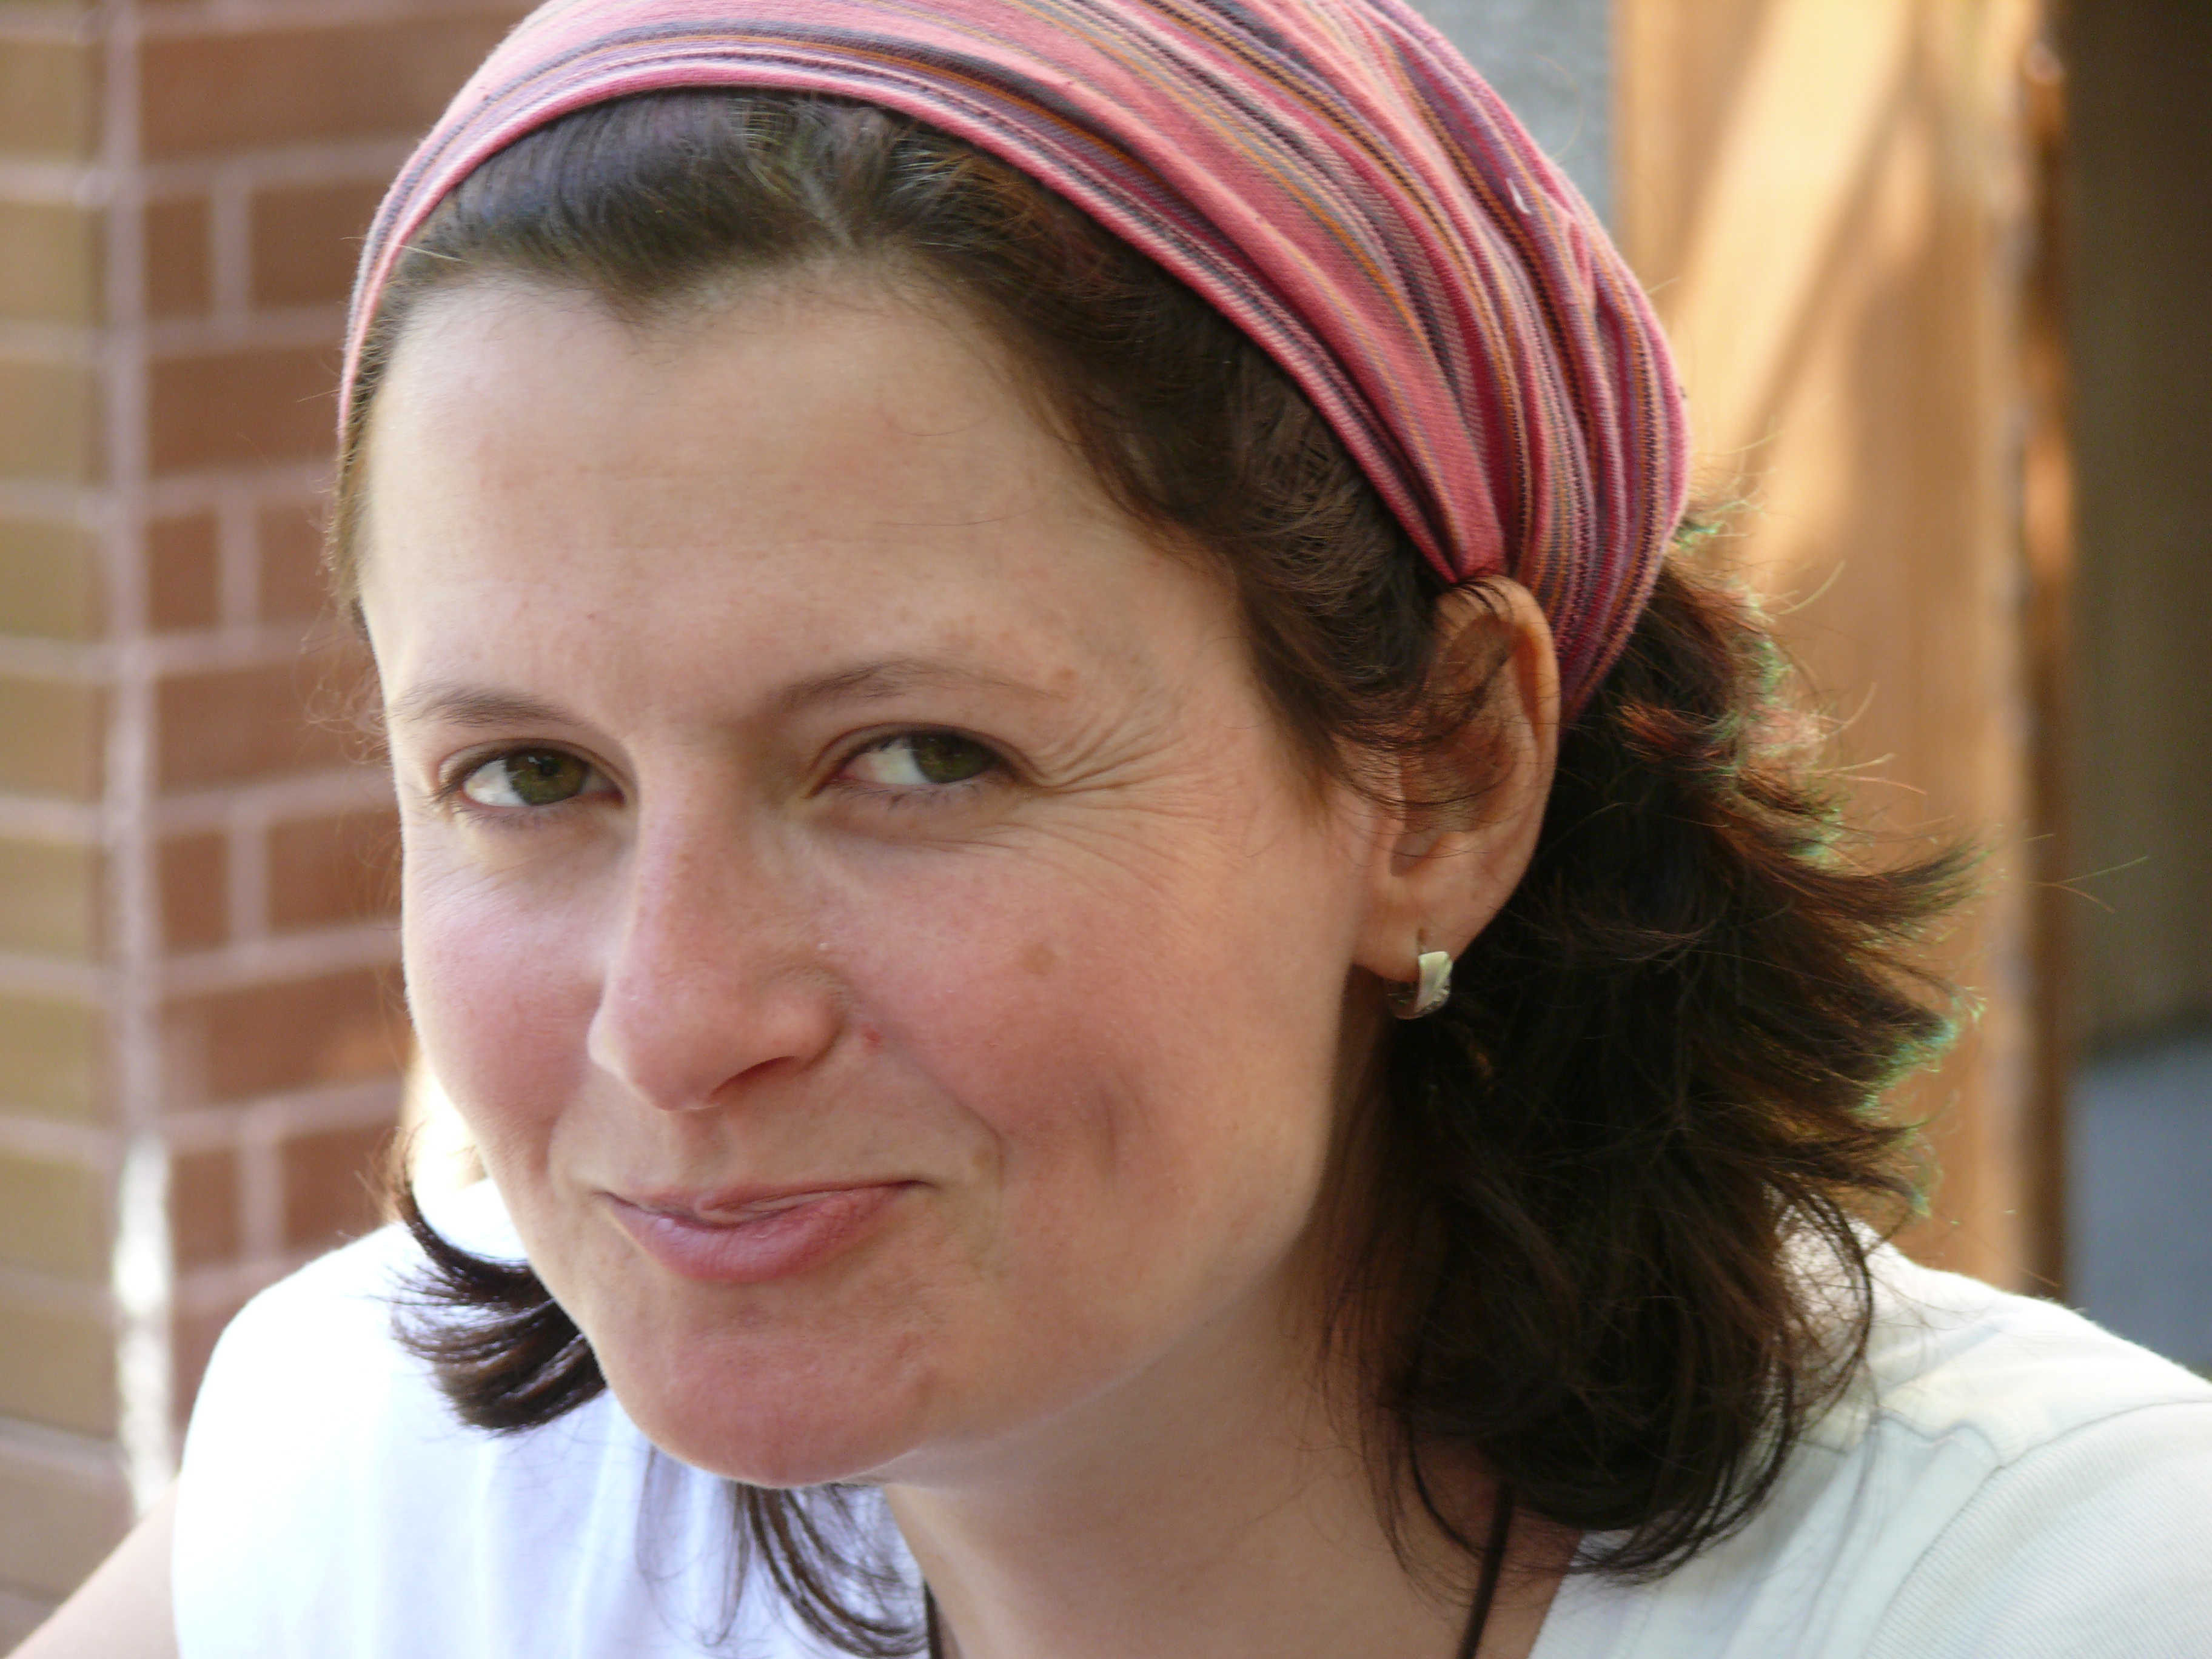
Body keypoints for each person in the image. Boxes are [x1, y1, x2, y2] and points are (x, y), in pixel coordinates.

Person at [24, 0, 2212, 1655]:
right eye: (529, 775)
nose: (672, 1024)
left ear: (1442, 773)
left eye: (918, 759)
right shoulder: (391, 1509)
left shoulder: (2063, 1600)